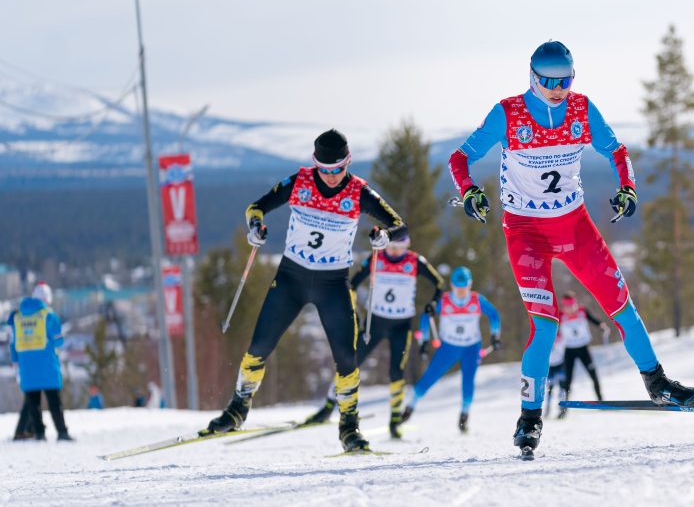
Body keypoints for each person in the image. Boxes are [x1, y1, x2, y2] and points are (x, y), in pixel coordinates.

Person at [447, 40, 694, 455]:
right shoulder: (508, 113)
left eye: (565, 80)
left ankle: (658, 383)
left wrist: (628, 188)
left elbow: (616, 150)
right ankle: (529, 420)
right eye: (548, 80)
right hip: (526, 232)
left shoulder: (583, 110)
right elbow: (459, 159)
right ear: (532, 77)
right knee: (545, 325)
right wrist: (471, 192)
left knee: (622, 306)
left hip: (575, 225)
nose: (557, 88)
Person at [201, 129, 406, 453]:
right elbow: (256, 207)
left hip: (332, 283)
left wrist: (383, 236)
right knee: (259, 346)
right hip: (292, 278)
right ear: (315, 165)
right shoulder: (300, 182)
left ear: (347, 163)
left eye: (336, 169)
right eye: (323, 170)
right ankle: (238, 408)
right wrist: (255, 228)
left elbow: (398, 224)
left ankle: (349, 427)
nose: (329, 176)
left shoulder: (359, 191)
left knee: (346, 358)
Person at [303, 231, 444, 439]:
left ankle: (395, 420)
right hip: (374, 324)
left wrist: (433, 303)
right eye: (391, 248)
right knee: (350, 363)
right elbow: (351, 284)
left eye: (400, 248)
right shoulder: (375, 258)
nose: (395, 252)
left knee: (397, 371)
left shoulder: (415, 261)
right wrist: (354, 311)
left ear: (407, 246)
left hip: (401, 325)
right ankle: (328, 406)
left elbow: (439, 284)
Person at [400, 266, 501, 433]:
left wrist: (495, 335)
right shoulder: (444, 300)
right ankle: (410, 407)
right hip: (448, 347)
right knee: (430, 376)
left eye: (464, 287)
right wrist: (424, 339)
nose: (461, 291)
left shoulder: (477, 300)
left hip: (471, 347)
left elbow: (494, 314)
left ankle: (464, 414)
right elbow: (426, 316)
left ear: (470, 285)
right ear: (452, 286)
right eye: (457, 287)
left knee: (468, 382)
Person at [7, 282, 73, 441]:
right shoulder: (48, 315)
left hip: (26, 366)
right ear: (46, 298)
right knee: (54, 400)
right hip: (47, 365)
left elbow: (12, 343)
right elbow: (58, 341)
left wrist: (16, 362)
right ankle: (62, 432)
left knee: (32, 401)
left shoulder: (17, 317)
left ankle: (39, 433)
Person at [556, 292, 607, 418]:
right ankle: (564, 409)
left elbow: (594, 320)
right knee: (567, 381)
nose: (568, 309)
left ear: (575, 304)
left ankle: (601, 401)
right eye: (566, 307)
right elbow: (553, 329)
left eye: (571, 306)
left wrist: (601, 325)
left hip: (584, 348)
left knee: (593, 375)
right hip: (569, 351)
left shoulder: (582, 312)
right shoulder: (560, 316)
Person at [543, 329, 566, 418]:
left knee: (562, 388)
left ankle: (562, 409)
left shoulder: (560, 336)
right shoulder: (545, 337)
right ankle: (548, 409)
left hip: (560, 364)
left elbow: (563, 348)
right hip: (550, 366)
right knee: (550, 388)